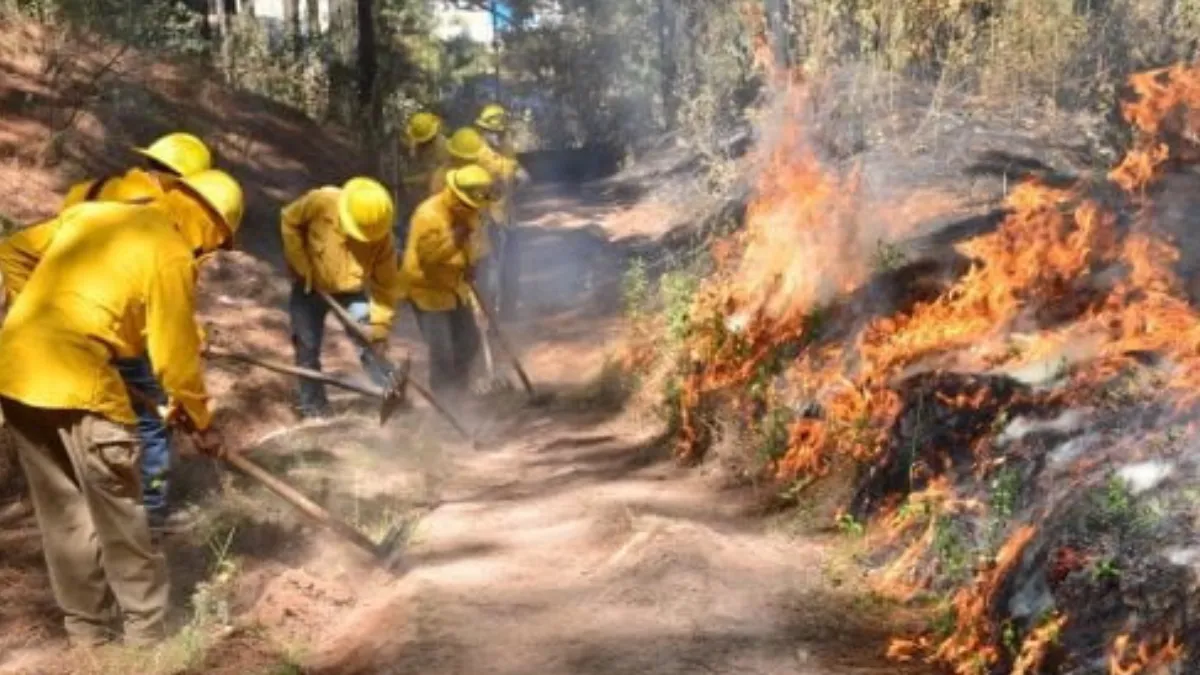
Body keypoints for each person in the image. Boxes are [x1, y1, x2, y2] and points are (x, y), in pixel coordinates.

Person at [0, 169, 244, 648]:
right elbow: (175, 361)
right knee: (120, 514)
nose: (208, 254)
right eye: (216, 243)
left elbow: (10, 250)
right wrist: (201, 421)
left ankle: (89, 636)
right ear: (209, 225)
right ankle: (148, 639)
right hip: (80, 381)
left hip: (15, 370)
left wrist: (48, 323)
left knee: (64, 516)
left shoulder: (91, 214)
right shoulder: (170, 249)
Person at [1, 131, 216, 530]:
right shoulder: (166, 212)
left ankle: (89, 508)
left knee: (79, 436)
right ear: (186, 182)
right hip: (123, 340)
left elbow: (31, 252)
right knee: (153, 425)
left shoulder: (91, 191)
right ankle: (150, 512)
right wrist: (199, 407)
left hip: (63, 340)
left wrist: (35, 305)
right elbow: (160, 297)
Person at [281, 176, 404, 419]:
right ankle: (313, 408)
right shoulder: (321, 202)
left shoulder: (383, 239)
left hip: (351, 292)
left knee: (370, 341)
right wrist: (300, 264)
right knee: (307, 348)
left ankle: (392, 391)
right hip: (309, 288)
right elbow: (289, 220)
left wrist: (379, 329)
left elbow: (386, 287)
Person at [400, 164, 495, 400]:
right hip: (427, 291)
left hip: (456, 288)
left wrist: (473, 264)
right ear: (456, 196)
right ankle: (446, 401)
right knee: (442, 351)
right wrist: (455, 238)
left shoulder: (470, 212)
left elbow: (477, 245)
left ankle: (459, 389)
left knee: (470, 341)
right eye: (469, 204)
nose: (473, 209)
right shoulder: (428, 216)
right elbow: (429, 259)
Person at [472, 103, 530, 320]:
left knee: (512, 267)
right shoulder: (477, 154)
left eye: (501, 132)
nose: (498, 136)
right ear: (483, 130)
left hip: (508, 218)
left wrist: (522, 177)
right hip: (487, 221)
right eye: (493, 132)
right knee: (490, 271)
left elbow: (515, 170)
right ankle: (488, 316)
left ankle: (509, 312)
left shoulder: (505, 148)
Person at [396, 111, 448, 245]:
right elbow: (411, 148)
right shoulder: (418, 138)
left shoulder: (441, 149)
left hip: (434, 192)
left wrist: (408, 180)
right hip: (416, 191)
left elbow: (432, 177)